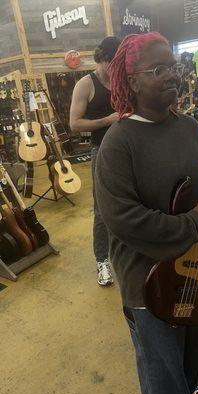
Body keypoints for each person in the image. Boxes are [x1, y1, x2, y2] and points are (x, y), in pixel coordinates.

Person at [95, 32, 198, 394]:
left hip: (197, 268)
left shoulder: (189, 128)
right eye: (158, 69)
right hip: (148, 280)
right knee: (163, 377)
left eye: (174, 67)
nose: (172, 75)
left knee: (191, 362)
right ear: (133, 81)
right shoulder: (119, 142)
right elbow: (122, 219)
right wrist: (191, 225)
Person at [69, 36, 121, 286]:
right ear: (103, 58)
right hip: (101, 149)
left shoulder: (123, 80)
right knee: (101, 210)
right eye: (114, 62)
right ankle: (102, 260)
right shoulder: (85, 84)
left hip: (127, 149)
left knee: (129, 204)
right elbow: (75, 124)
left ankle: (124, 255)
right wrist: (107, 121)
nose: (117, 69)